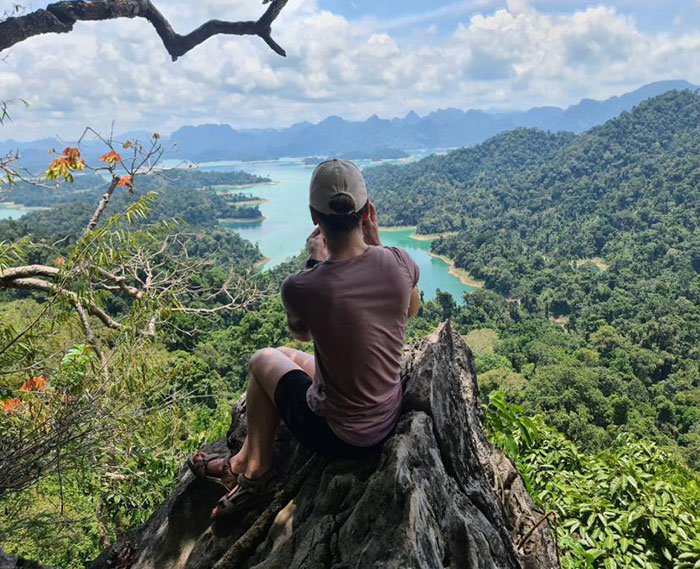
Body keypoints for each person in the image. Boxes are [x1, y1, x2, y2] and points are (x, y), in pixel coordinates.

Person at [188, 158, 421, 520]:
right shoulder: (400, 261)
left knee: (262, 359)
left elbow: (303, 332)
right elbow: (411, 309)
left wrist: (315, 263)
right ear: (367, 211)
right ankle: (240, 461)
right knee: (284, 356)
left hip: (339, 435)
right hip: (385, 416)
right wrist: (376, 243)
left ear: (315, 217)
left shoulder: (303, 285)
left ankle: (256, 475)